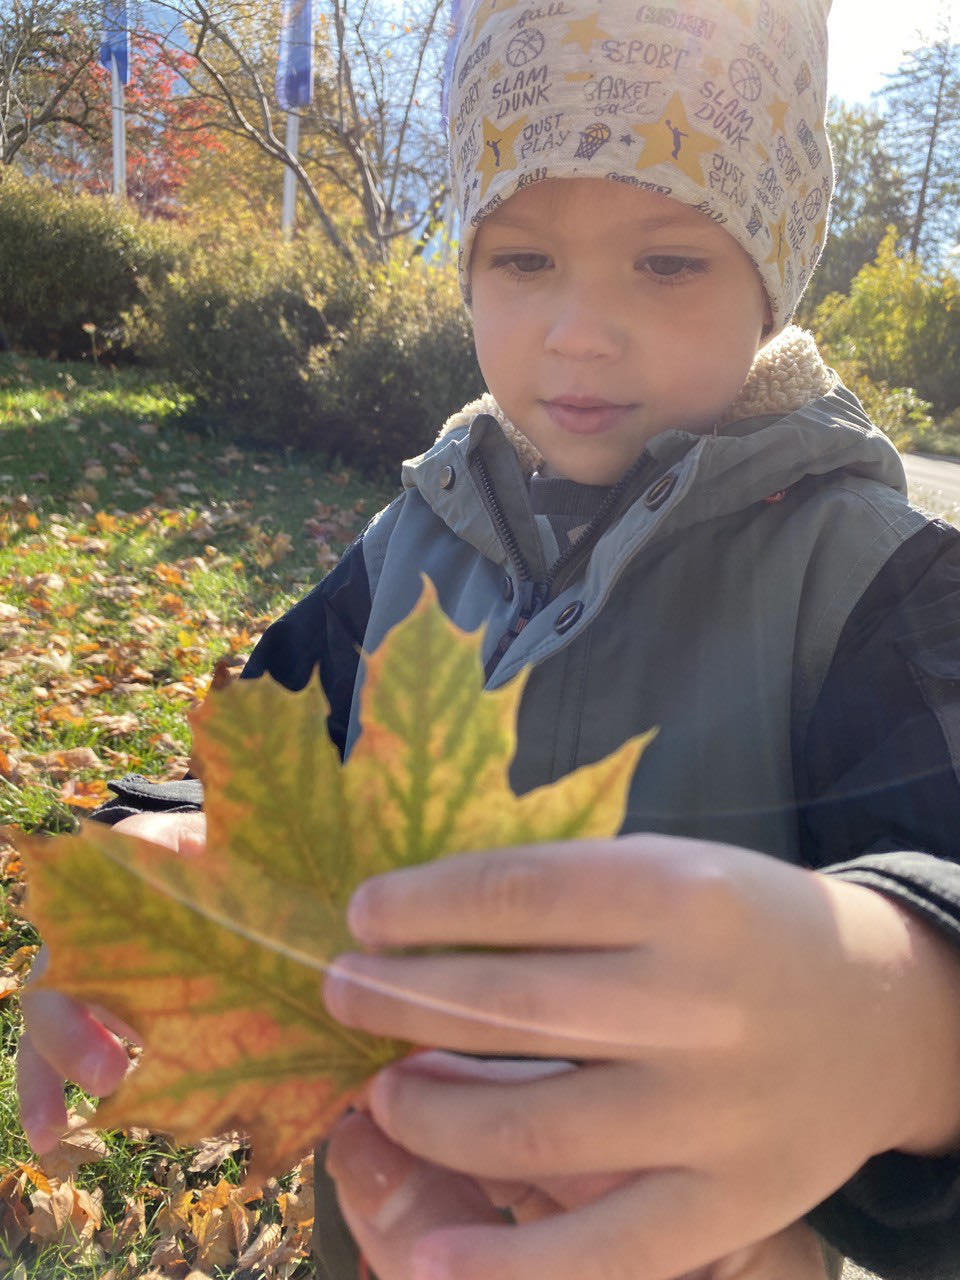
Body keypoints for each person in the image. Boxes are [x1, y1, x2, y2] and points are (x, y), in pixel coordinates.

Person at [18, 0, 960, 1277]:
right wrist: (179, 849)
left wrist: (908, 1032)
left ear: (770, 273)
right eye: (523, 261)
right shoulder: (421, 529)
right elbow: (266, 737)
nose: (579, 326)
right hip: (396, 1224)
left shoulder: (867, 583)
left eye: (668, 263)